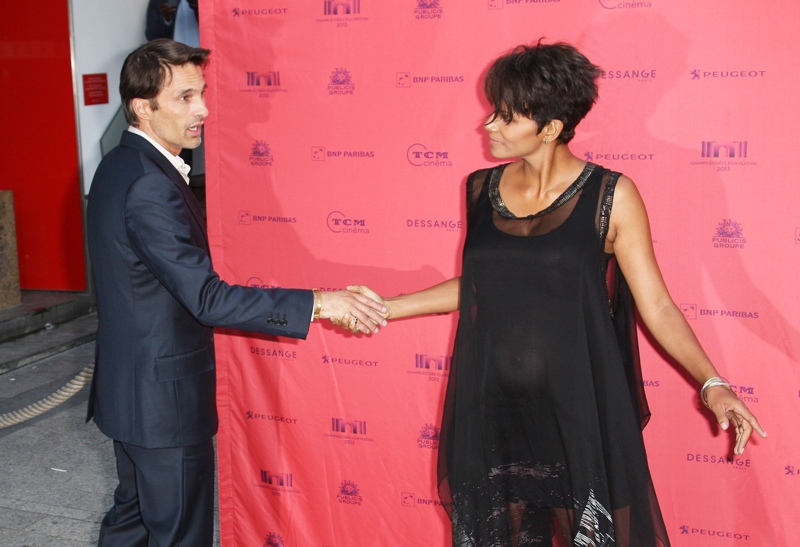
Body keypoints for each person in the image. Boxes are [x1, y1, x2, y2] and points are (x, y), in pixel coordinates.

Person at [349, 40, 766, 546]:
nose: (489, 126)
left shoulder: (612, 196)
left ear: (549, 129)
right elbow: (484, 286)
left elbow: (656, 304)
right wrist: (384, 308)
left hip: (578, 408)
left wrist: (711, 382)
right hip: (494, 406)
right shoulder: (479, 189)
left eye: (506, 117)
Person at [86, 38, 386, 547]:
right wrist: (320, 302)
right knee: (178, 534)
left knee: (131, 525)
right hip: (164, 405)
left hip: (132, 395)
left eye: (202, 93)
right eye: (184, 97)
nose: (202, 109)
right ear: (143, 107)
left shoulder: (120, 165)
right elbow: (207, 298)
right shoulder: (149, 184)